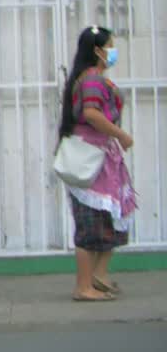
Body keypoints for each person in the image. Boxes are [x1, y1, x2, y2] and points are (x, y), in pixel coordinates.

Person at [57, 26, 137, 302]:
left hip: (102, 157)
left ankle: (99, 276)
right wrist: (121, 135)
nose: (113, 51)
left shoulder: (94, 79)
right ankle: (83, 286)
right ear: (98, 51)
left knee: (109, 220)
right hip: (91, 159)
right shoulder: (92, 81)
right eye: (110, 46)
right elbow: (91, 113)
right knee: (89, 224)